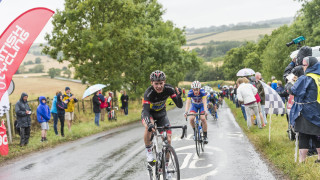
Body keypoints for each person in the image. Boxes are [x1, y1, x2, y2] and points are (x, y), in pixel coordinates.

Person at [142, 70, 183, 166]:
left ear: (164, 82)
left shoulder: (169, 89)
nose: (159, 86)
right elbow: (146, 111)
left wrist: (179, 96)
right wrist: (149, 124)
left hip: (161, 114)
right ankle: (149, 151)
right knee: (149, 128)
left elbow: (179, 105)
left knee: (168, 139)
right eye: (156, 84)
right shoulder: (148, 93)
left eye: (161, 83)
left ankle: (166, 167)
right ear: (151, 83)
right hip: (149, 114)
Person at [289, 56, 320, 163]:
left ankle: (302, 161)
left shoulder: (306, 78)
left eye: (304, 64)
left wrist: (289, 83)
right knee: (317, 134)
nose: (303, 67)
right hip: (317, 109)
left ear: (311, 65)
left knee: (304, 135)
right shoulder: (318, 77)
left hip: (307, 110)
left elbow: (294, 91)